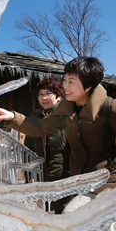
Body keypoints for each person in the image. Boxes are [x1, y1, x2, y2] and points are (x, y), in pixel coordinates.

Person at [0, 56, 116, 231]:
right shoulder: (66, 108)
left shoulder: (109, 107)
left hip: (107, 178)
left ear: (87, 87)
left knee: (73, 216)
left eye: (71, 81)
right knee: (104, 226)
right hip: (84, 177)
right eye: (65, 79)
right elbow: (40, 127)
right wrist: (13, 117)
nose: (65, 86)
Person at [24, 77, 70, 213]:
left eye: (48, 93)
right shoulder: (33, 118)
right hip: (41, 180)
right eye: (41, 94)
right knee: (44, 219)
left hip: (64, 179)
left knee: (65, 217)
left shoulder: (66, 117)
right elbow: (28, 149)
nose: (44, 98)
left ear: (59, 95)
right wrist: (29, 176)